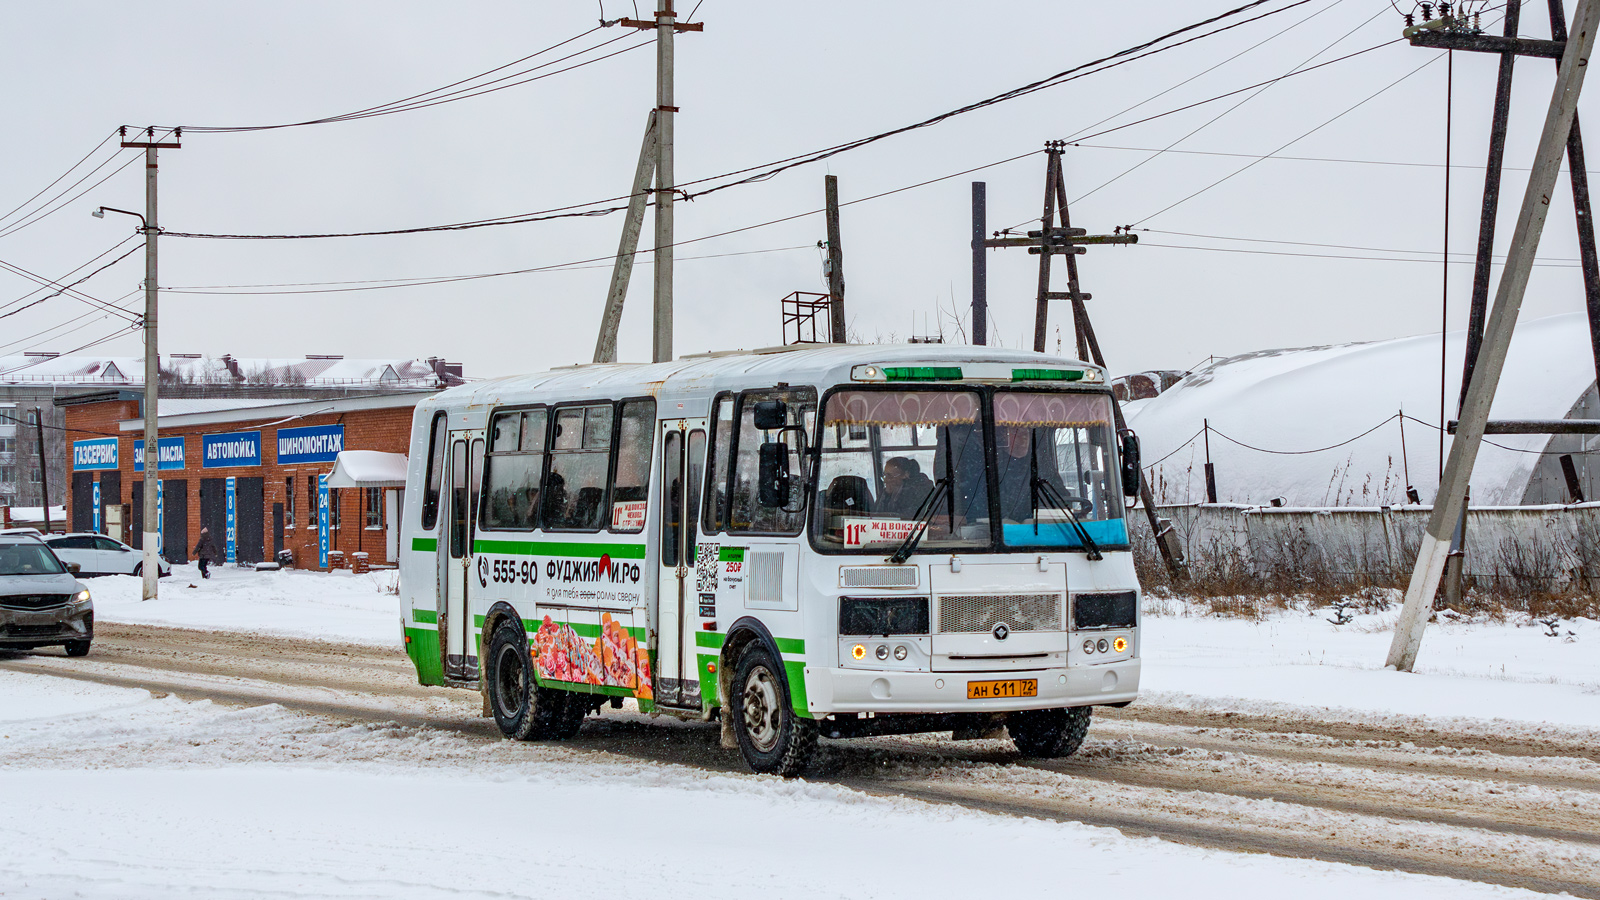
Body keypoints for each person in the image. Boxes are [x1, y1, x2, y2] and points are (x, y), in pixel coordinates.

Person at [993, 425, 1068, 522]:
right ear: (1003, 436)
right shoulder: (993, 466)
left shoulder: (1042, 466)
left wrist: (1043, 512)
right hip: (1001, 533)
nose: (1024, 435)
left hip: (1040, 529)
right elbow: (985, 507)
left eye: (1026, 429)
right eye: (1016, 430)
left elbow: (1062, 499)